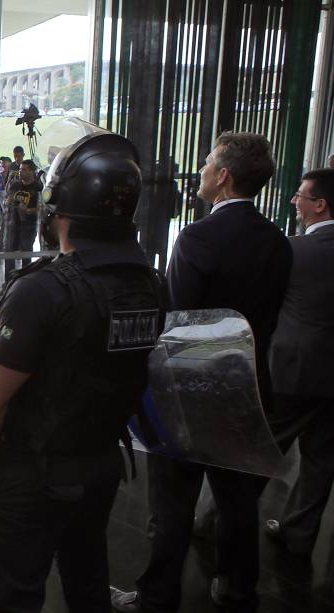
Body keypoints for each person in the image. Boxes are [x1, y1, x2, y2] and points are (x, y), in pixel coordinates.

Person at [0, 128, 164, 613]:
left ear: (59, 207)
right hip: (101, 464)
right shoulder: (151, 284)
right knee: (86, 577)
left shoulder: (43, 290)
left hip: (33, 474)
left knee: (8, 593)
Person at [111, 131, 292, 613]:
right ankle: (237, 589)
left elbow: (179, 318)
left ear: (224, 176)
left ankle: (158, 596)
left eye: (209, 162)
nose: (203, 169)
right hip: (248, 384)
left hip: (192, 389)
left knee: (172, 503)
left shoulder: (198, 237)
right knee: (237, 499)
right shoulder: (277, 240)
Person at [264, 168, 334, 557]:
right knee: (322, 459)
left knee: (260, 451)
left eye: (300, 196)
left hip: (292, 370)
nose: (294, 201)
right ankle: (299, 533)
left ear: (319, 205)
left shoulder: (293, 250)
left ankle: (212, 520)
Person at [2, 160, 41, 276]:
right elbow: (6, 199)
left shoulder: (38, 187)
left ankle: (25, 280)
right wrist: (7, 202)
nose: (20, 172)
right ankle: (8, 281)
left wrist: (28, 210)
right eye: (20, 169)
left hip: (28, 226)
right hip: (12, 224)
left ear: (31, 171)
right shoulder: (15, 184)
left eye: (24, 169)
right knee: (9, 253)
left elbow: (42, 208)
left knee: (26, 254)